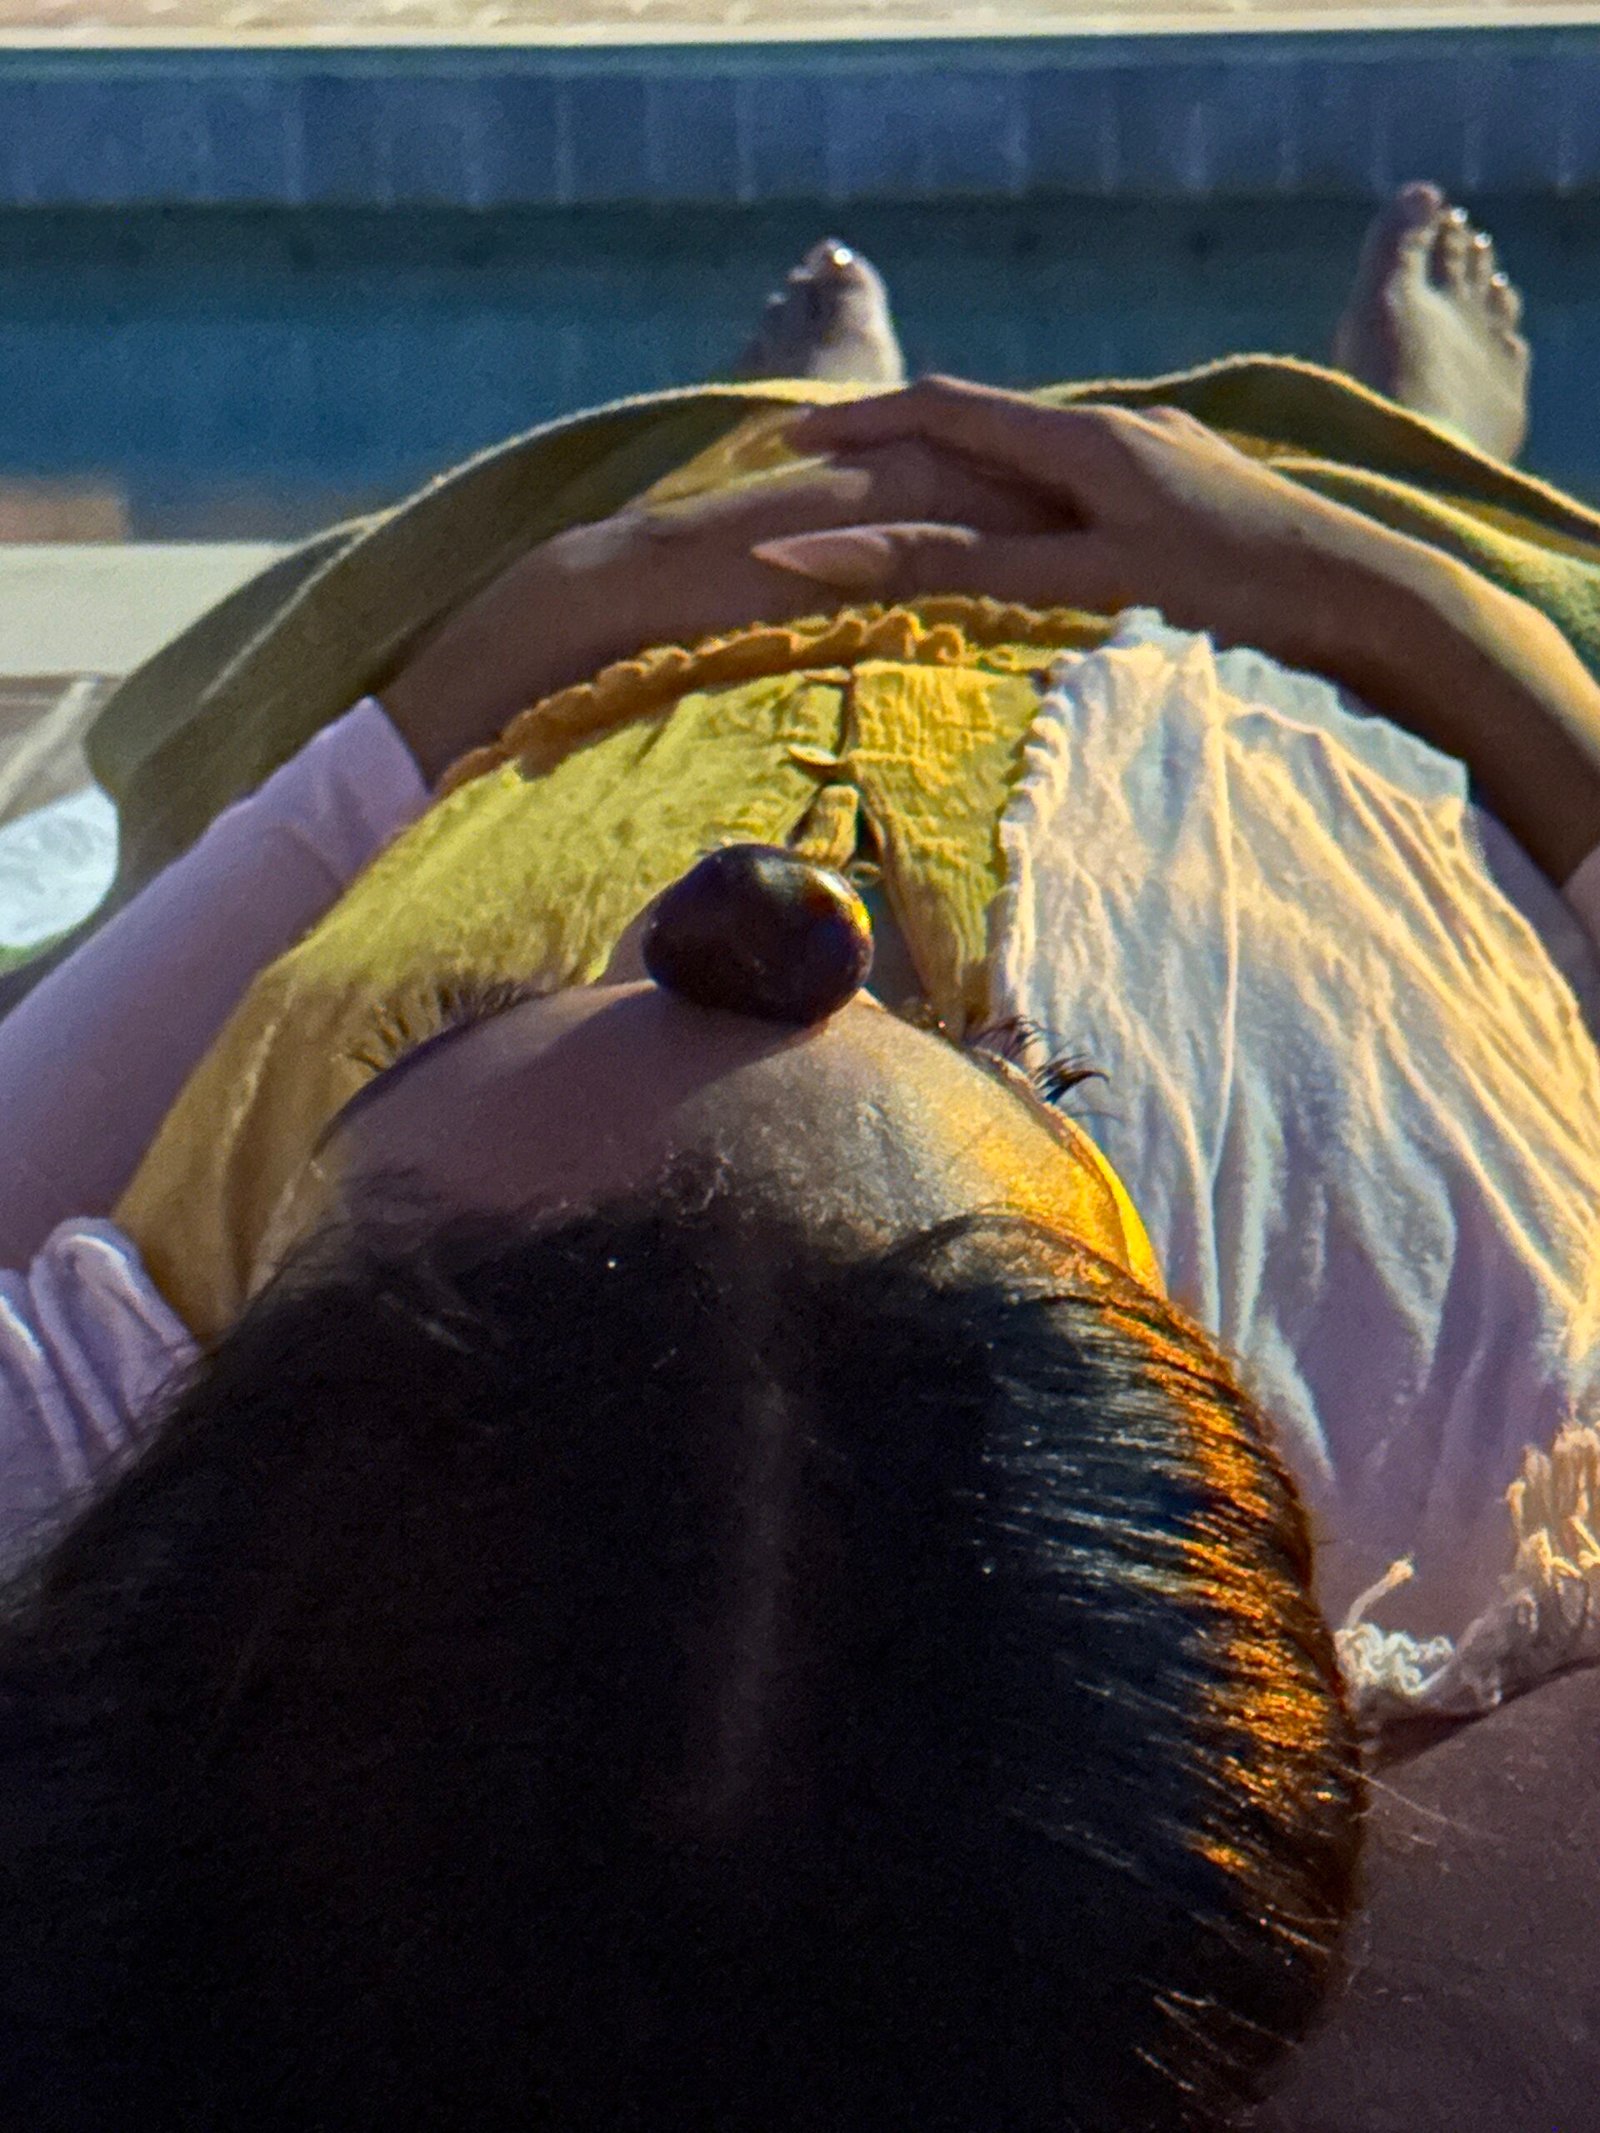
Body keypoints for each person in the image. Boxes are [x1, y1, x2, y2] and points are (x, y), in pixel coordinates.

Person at [0, 179, 1595, 2129]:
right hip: (1309, 679)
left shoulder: (117, 1518)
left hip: (625, 670)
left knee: (634, 505)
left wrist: (459, 682)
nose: (775, 907)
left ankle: (792, 427)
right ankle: (1420, 449)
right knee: (1451, 530)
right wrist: (1397, 600)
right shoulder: (1494, 1484)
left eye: (497, 1012)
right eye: (1020, 1076)